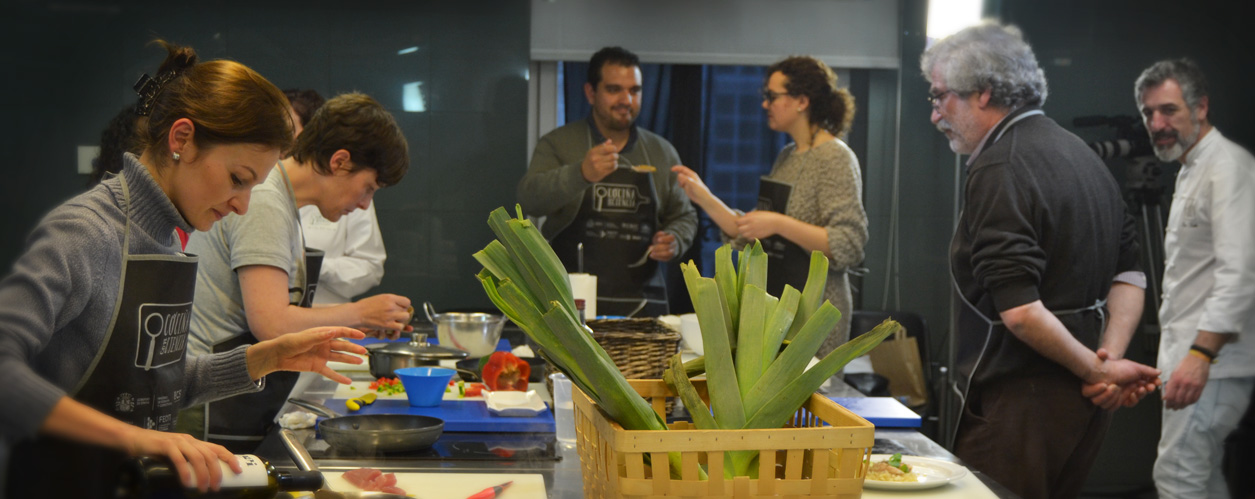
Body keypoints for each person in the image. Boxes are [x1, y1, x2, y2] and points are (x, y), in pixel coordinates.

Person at [0, 41, 368, 497]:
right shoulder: (85, 231)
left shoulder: (168, 235)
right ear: (182, 140)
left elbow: (159, 386)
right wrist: (135, 438)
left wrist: (265, 358)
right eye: (238, 180)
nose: (242, 205)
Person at [922, 22, 1161, 499]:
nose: (935, 115)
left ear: (984, 93)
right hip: (1083, 405)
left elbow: (1022, 312)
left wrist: (1100, 371)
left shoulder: (1000, 166)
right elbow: (1130, 274)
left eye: (940, 97)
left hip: (1023, 402)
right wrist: (1106, 360)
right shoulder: (1081, 154)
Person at [180, 92, 411, 452]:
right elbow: (270, 322)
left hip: (233, 401)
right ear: (339, 161)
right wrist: (358, 311)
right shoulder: (267, 200)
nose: (365, 204)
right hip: (211, 408)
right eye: (368, 188)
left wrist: (358, 323)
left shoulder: (283, 202)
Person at [671, 55, 867, 358]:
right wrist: (703, 196)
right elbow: (752, 230)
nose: (765, 104)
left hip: (815, 314)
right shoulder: (787, 155)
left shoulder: (835, 158)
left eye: (772, 97)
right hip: (780, 307)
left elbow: (847, 244)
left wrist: (778, 223)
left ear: (801, 100)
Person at [1132, 58, 1255, 499]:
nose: (1157, 123)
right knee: (1202, 477)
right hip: (1193, 359)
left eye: (1169, 110)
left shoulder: (1227, 168)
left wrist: (1201, 355)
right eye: (1149, 113)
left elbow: (1241, 274)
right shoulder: (1191, 167)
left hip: (1214, 363)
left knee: (1178, 477)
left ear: (1201, 107)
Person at [517, 46, 697, 317]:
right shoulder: (559, 143)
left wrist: (675, 240)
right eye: (614, 90)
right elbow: (529, 199)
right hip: (567, 301)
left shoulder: (661, 151)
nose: (626, 99)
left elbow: (685, 216)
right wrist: (580, 174)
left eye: (635, 90)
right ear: (591, 92)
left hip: (643, 305)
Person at [286, 89, 388, 306]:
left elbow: (370, 267)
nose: (281, 139)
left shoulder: (351, 195)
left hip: (328, 326)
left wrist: (310, 265)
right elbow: (271, 321)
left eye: (289, 129)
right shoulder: (261, 193)